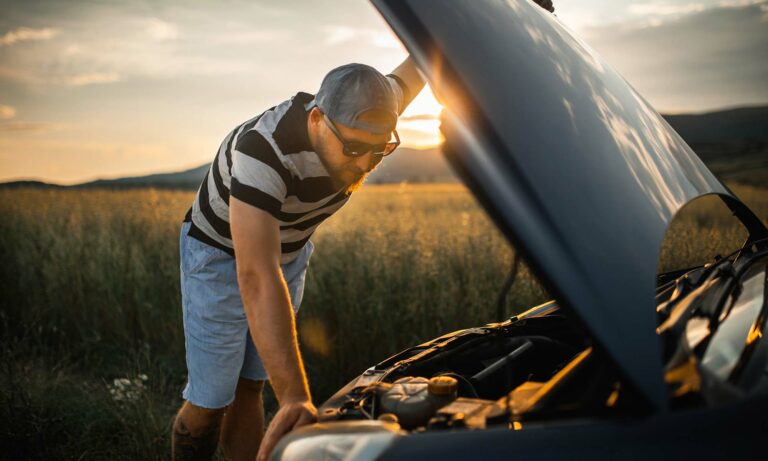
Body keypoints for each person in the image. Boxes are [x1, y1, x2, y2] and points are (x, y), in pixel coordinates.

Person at [171, 57, 426, 461]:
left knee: (251, 385)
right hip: (219, 255)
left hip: (286, 255)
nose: (365, 164)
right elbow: (256, 273)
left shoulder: (376, 104)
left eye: (380, 150)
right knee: (211, 400)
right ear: (317, 119)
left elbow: (428, 56)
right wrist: (294, 397)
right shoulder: (262, 150)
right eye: (354, 147)